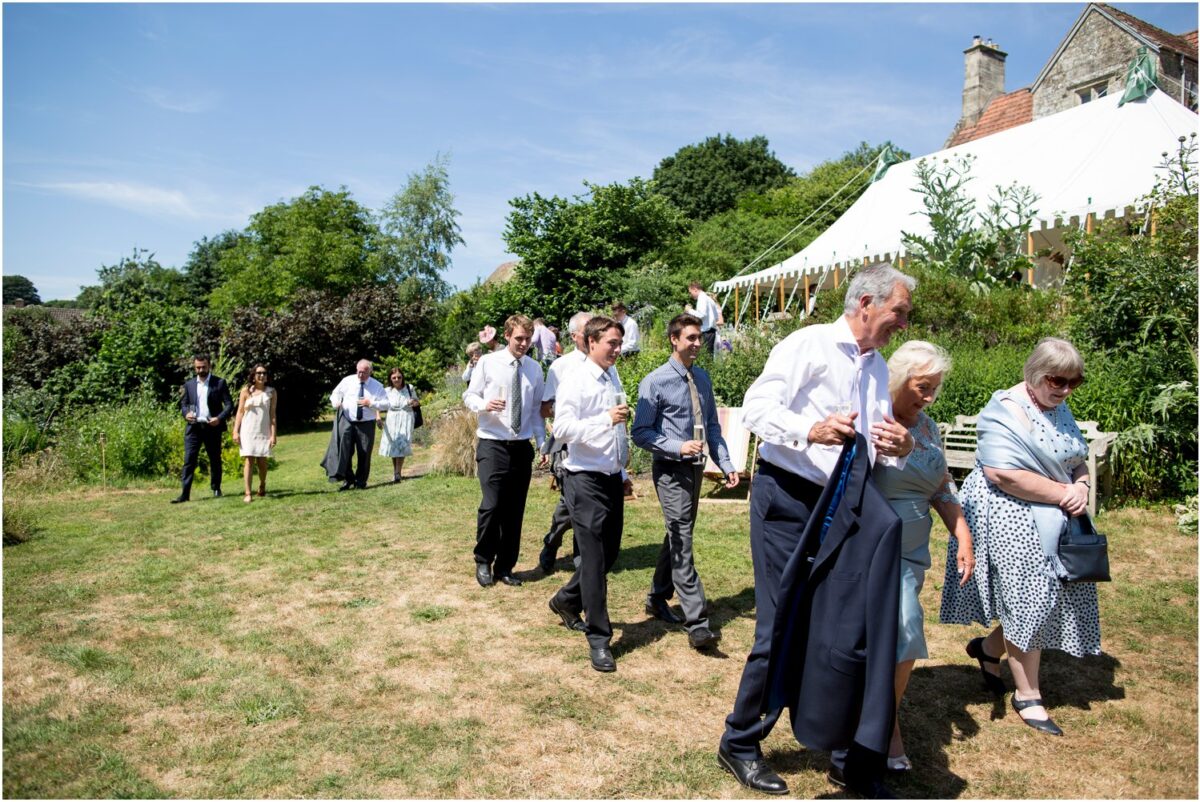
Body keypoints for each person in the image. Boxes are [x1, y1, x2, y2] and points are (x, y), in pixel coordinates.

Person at [717, 265, 916, 797]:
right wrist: (810, 429)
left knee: (844, 626)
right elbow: (756, 408)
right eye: (899, 311)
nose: (904, 323)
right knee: (779, 623)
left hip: (844, 504)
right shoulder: (808, 344)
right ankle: (740, 741)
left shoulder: (877, 367)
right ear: (867, 303)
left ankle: (842, 750)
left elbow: (872, 447)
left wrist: (899, 448)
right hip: (787, 498)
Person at [828, 341, 976, 775]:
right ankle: (883, 726)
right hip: (876, 546)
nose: (929, 397)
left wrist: (962, 534)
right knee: (903, 629)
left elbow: (941, 485)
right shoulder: (878, 422)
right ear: (897, 380)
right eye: (922, 387)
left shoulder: (927, 427)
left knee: (895, 635)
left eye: (935, 388)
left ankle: (877, 715)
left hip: (915, 552)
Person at [940, 337, 1097, 738]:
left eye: (1074, 382)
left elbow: (1076, 458)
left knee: (1049, 596)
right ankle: (1027, 695)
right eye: (1057, 381)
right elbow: (1003, 475)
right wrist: (1064, 493)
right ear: (1034, 375)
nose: (1066, 390)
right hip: (1009, 515)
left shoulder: (1057, 406)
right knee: (1030, 597)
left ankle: (987, 649)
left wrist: (1081, 486)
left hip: (1054, 513)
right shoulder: (1005, 411)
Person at [631, 313, 738, 652]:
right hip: (670, 470)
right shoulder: (655, 381)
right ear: (673, 339)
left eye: (698, 337)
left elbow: (712, 426)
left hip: (696, 470)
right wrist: (677, 446)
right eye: (690, 337)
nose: (696, 343)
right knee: (682, 538)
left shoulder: (702, 378)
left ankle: (657, 596)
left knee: (678, 533)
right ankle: (698, 623)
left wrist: (726, 463)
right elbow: (641, 432)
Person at [547, 316, 633, 672]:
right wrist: (604, 419)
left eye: (620, 343)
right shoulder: (575, 380)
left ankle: (566, 599)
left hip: (610, 477)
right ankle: (599, 639)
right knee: (594, 561)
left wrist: (622, 471)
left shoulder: (612, 376)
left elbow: (617, 429)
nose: (617, 349)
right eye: (612, 343)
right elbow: (562, 429)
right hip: (583, 480)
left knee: (608, 554)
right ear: (592, 342)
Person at [463, 314, 546, 588]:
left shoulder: (534, 368)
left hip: (521, 447)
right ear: (507, 335)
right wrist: (484, 405)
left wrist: (541, 442)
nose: (523, 343)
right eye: (519, 338)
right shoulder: (488, 362)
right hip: (493, 443)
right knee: (492, 504)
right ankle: (483, 559)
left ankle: (505, 566)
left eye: (528, 339)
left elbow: (536, 411)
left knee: (514, 509)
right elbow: (469, 395)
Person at [537, 310, 592, 575]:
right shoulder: (561, 367)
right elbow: (545, 408)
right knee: (570, 501)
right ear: (573, 336)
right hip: (568, 443)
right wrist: (567, 413)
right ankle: (552, 541)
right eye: (588, 330)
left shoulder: (606, 363)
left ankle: (582, 555)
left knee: (587, 502)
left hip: (595, 442)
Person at [172, 354, 235, 503]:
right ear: (194, 367)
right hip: (194, 427)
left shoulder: (219, 383)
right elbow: (184, 404)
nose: (201, 370)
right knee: (189, 460)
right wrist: (186, 414)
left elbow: (229, 404)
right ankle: (185, 494)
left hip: (212, 426)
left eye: (203, 367)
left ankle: (216, 488)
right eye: (198, 368)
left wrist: (219, 418)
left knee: (215, 459)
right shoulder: (189, 385)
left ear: (209, 366)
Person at [329, 359, 388, 490]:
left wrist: (371, 403)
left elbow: (386, 404)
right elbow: (335, 393)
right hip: (347, 420)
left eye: (364, 373)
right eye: (359, 372)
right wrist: (336, 402)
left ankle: (360, 482)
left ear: (370, 372)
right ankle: (348, 479)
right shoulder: (347, 380)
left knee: (364, 453)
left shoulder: (377, 386)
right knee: (345, 451)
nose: (360, 375)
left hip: (366, 423)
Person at [231, 364, 277, 503]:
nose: (261, 375)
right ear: (253, 375)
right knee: (249, 460)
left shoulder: (271, 392)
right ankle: (248, 493)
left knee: (262, 461)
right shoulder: (246, 391)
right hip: (248, 430)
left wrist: (273, 434)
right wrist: (235, 431)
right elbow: (240, 412)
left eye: (264, 373)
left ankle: (262, 484)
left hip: (263, 431)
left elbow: (272, 415)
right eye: (259, 373)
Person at [378, 367, 419, 483]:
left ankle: (397, 473)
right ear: (390, 379)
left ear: (402, 377)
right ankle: (396, 471)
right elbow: (378, 404)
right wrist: (378, 417)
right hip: (391, 419)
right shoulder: (386, 391)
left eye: (399, 377)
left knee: (402, 443)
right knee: (393, 445)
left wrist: (413, 402)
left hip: (406, 417)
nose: (397, 379)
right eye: (394, 377)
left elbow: (417, 402)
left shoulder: (409, 388)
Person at [687, 281, 724, 356]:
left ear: (695, 289)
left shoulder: (702, 297)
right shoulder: (709, 299)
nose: (690, 295)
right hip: (711, 332)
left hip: (706, 332)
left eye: (690, 292)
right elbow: (716, 317)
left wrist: (689, 310)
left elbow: (701, 314)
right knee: (709, 355)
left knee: (705, 355)